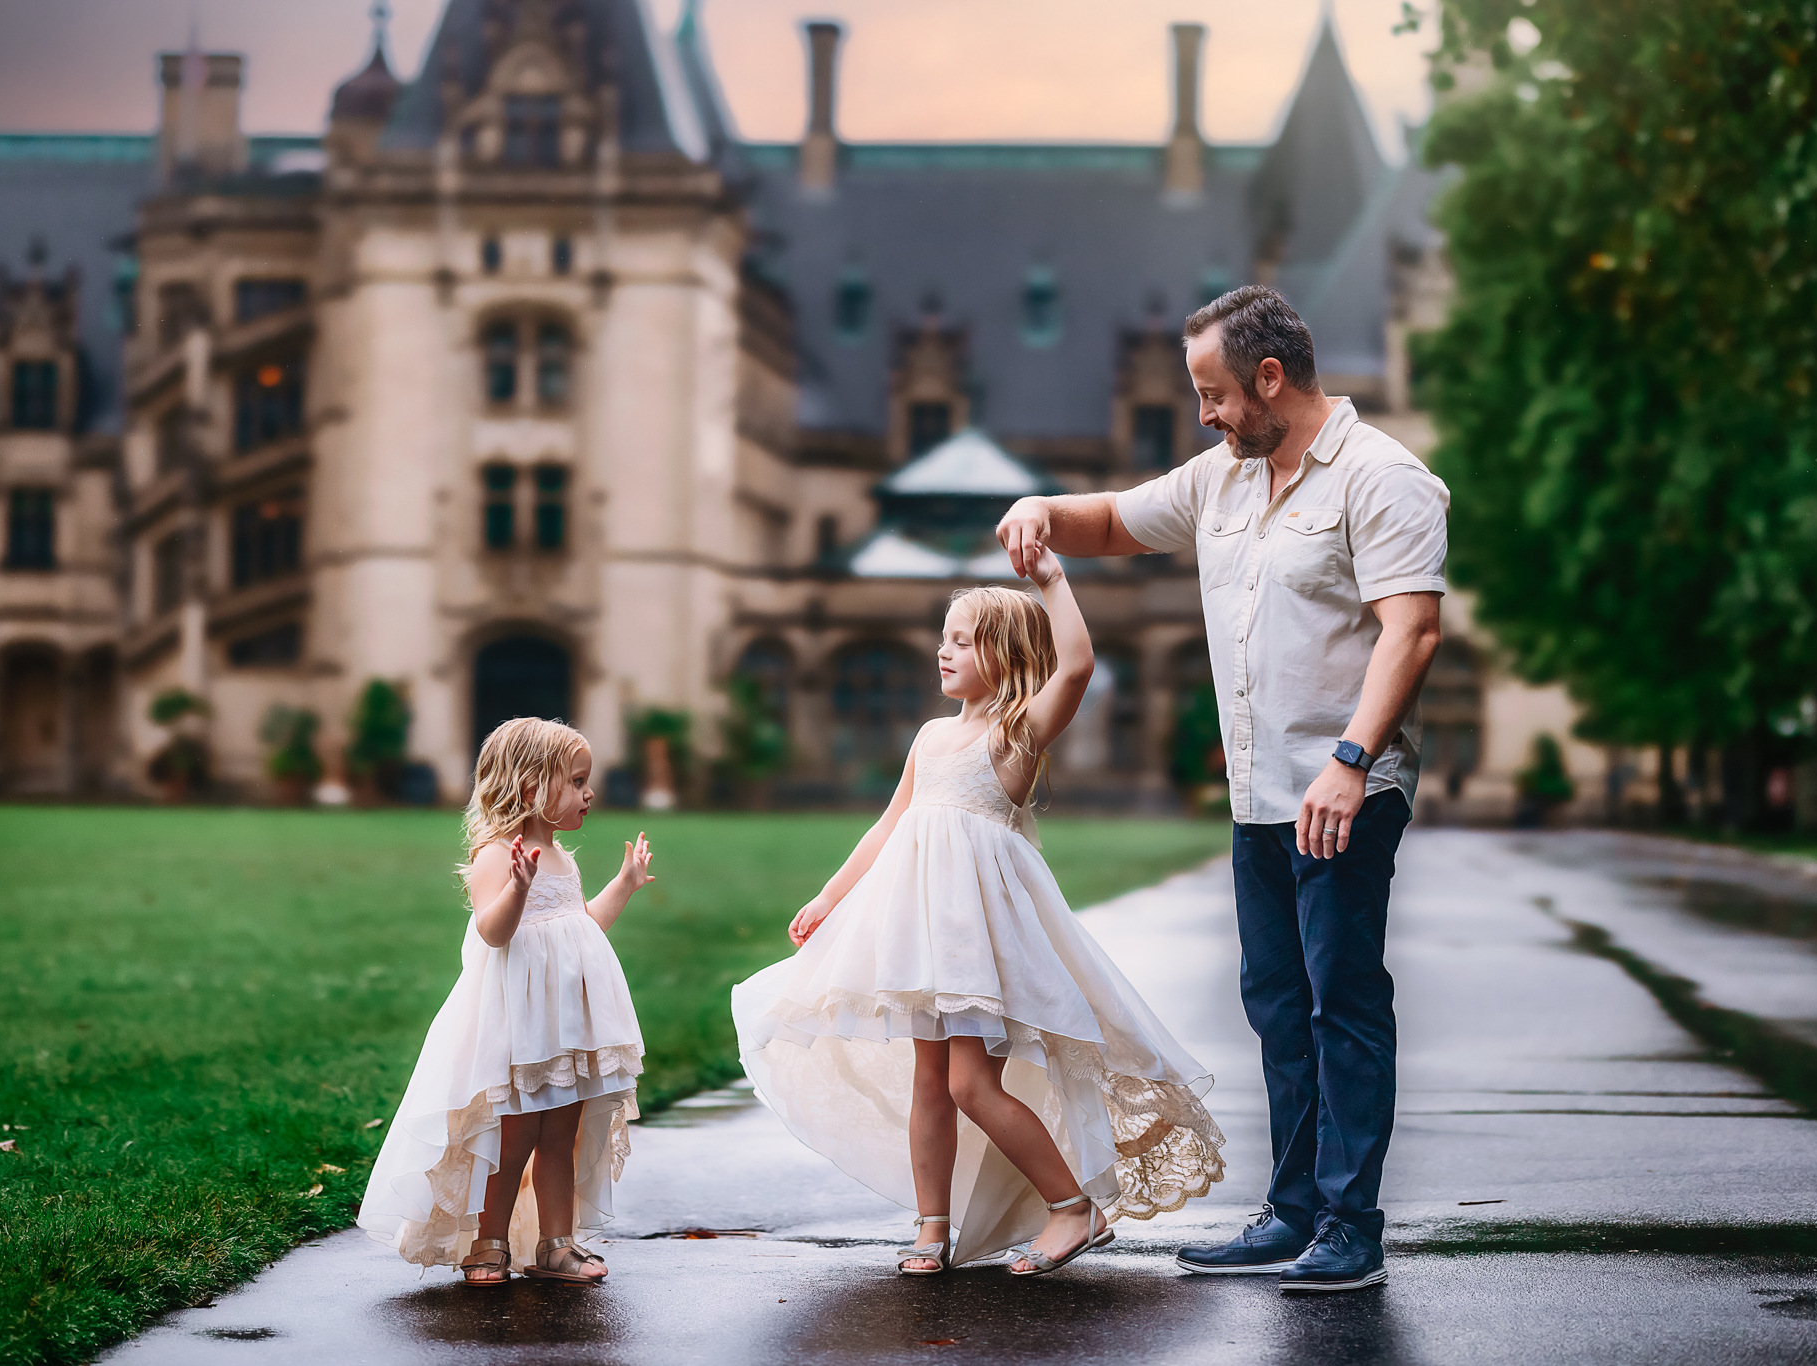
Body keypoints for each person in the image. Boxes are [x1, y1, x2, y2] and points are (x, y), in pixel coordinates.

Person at [996, 285, 1447, 1292]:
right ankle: (1290, 1211)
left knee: (1342, 1003)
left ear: (1269, 378)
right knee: (1277, 1006)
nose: (1202, 413)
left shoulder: (1382, 479)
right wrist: (1039, 509)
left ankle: (1348, 1223)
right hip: (1257, 796)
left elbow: (1409, 630)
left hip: (1341, 791)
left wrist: (1350, 759)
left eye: (1212, 393)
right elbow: (1111, 518)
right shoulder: (1223, 480)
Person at [733, 552, 1225, 1277]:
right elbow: (888, 825)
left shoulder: (1016, 733)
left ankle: (1073, 1206)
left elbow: (1079, 666)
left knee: (969, 1085)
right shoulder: (932, 737)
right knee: (930, 1082)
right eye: (945, 636)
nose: (944, 649)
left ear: (1009, 655)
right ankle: (932, 1224)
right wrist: (829, 897)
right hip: (920, 934)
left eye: (963, 639)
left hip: (977, 941)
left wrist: (1053, 581)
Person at [358, 718, 656, 1286]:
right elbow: (494, 933)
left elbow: (582, 925)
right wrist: (517, 887)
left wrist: (624, 884)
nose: (588, 793)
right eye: (575, 780)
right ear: (529, 787)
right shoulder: (497, 855)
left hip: (568, 1028)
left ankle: (556, 1244)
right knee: (512, 1135)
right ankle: (488, 1241)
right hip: (519, 1029)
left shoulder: (562, 858)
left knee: (560, 1137)